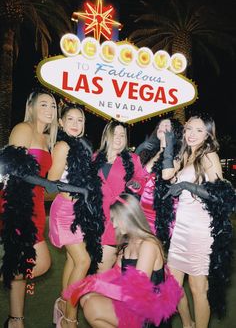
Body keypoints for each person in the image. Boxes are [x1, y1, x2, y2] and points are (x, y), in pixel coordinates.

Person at [63, 193, 183, 328]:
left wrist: (97, 285)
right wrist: (88, 283)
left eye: (115, 219)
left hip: (149, 316)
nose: (113, 224)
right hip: (132, 305)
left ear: (129, 218)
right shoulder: (128, 243)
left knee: (92, 307)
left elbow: (136, 293)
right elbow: (115, 273)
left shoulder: (148, 245)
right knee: (86, 298)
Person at [163, 115, 235, 328]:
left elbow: (220, 196)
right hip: (180, 229)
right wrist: (167, 144)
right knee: (173, 286)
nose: (192, 134)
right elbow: (167, 175)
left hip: (199, 230)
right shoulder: (185, 153)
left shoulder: (209, 155)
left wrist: (188, 187)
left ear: (208, 134)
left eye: (199, 130)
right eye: (188, 129)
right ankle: (188, 323)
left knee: (197, 289)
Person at [0, 89, 58, 328]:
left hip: (35, 206)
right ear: (32, 106)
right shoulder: (23, 129)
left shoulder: (47, 139)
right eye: (43, 104)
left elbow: (49, 182)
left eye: (53, 106)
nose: (49, 110)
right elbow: (12, 170)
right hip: (17, 205)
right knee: (40, 263)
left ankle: (16, 320)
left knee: (24, 263)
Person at [48, 101, 104, 328]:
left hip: (79, 211)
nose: (75, 123)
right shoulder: (63, 146)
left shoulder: (81, 146)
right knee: (84, 260)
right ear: (61, 122)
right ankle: (70, 317)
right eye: (70, 119)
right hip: (65, 211)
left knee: (73, 260)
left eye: (79, 120)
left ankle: (63, 303)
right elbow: (51, 183)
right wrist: (75, 192)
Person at [92, 120, 145, 272]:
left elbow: (141, 179)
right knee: (104, 268)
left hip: (120, 220)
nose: (119, 138)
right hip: (98, 220)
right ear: (107, 136)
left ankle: (97, 294)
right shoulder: (95, 158)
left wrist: (136, 184)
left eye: (122, 135)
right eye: (115, 134)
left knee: (103, 269)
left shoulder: (132, 159)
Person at [133, 118, 182, 248]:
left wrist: (168, 145)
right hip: (141, 215)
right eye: (160, 124)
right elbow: (135, 182)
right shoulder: (151, 153)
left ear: (175, 132)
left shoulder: (179, 156)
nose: (162, 126)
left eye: (167, 125)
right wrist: (139, 149)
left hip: (160, 218)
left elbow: (168, 175)